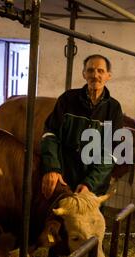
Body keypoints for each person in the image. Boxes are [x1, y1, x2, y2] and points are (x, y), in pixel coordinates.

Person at [41, 54, 124, 199]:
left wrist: (90, 183)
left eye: (100, 71)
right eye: (90, 70)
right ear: (84, 74)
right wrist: (52, 168)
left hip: (94, 188)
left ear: (108, 76)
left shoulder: (114, 108)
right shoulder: (67, 99)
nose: (95, 75)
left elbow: (111, 152)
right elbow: (50, 134)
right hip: (63, 181)